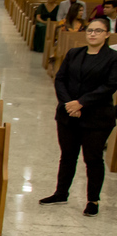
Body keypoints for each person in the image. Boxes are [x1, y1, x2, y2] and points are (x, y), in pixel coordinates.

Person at [40, 17, 117, 217]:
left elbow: (109, 86)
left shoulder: (113, 58)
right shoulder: (74, 53)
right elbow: (61, 79)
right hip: (68, 115)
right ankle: (61, 193)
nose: (92, 34)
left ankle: (93, 200)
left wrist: (81, 102)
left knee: (92, 159)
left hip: (96, 117)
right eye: (90, 30)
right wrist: (69, 104)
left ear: (107, 34)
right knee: (67, 156)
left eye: (98, 31)